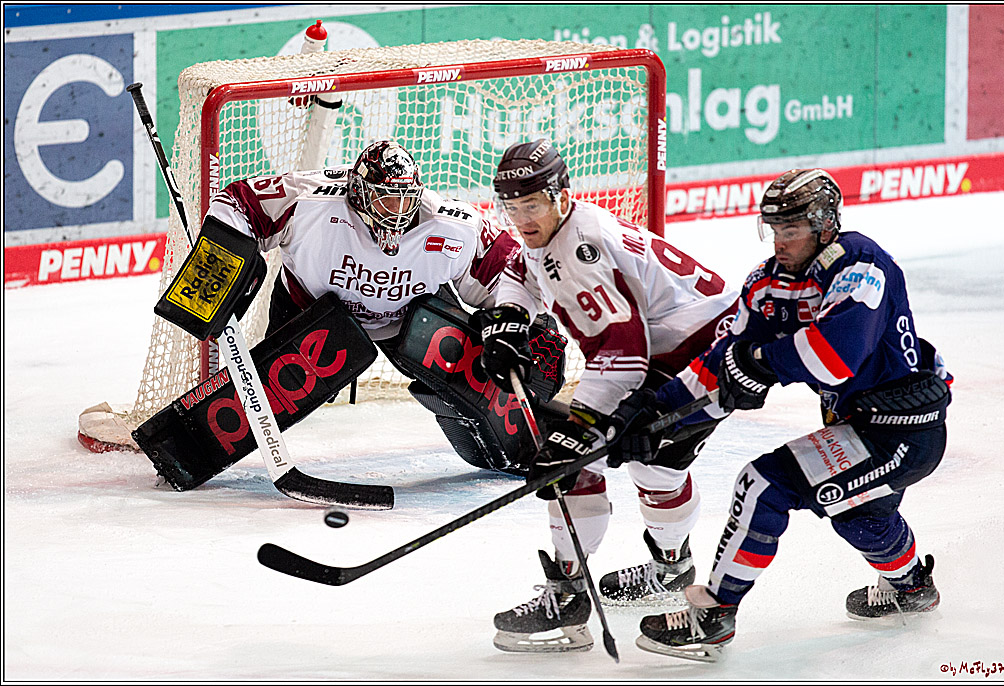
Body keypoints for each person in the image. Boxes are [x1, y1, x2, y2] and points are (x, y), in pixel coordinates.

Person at [630, 169, 953, 661]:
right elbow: (724, 361)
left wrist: (760, 364)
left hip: (902, 432)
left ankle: (714, 613)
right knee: (860, 517)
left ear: (824, 225)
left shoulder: (861, 263)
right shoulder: (766, 284)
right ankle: (911, 587)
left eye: (792, 230)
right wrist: (660, 412)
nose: (780, 242)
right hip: (859, 424)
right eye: (775, 230)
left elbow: (834, 356)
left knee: (763, 484)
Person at [474, 139, 739, 653]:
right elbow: (520, 271)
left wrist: (582, 427)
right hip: (673, 348)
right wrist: (508, 315)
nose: (522, 218)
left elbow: (622, 355)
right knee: (611, 462)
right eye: (511, 206)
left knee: (631, 461)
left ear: (560, 195)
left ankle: (624, 581)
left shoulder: (580, 251)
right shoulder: (558, 229)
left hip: (704, 359)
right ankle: (620, 578)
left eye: (531, 204)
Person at [203, 140, 561, 476]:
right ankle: (197, 440)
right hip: (309, 310)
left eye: (406, 201)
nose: (399, 213)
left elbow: (513, 277)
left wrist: (535, 324)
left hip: (408, 316)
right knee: (276, 391)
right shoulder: (310, 200)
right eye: (387, 201)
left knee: (479, 364)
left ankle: (519, 442)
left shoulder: (454, 225)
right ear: (357, 191)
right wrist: (223, 259)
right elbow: (236, 202)